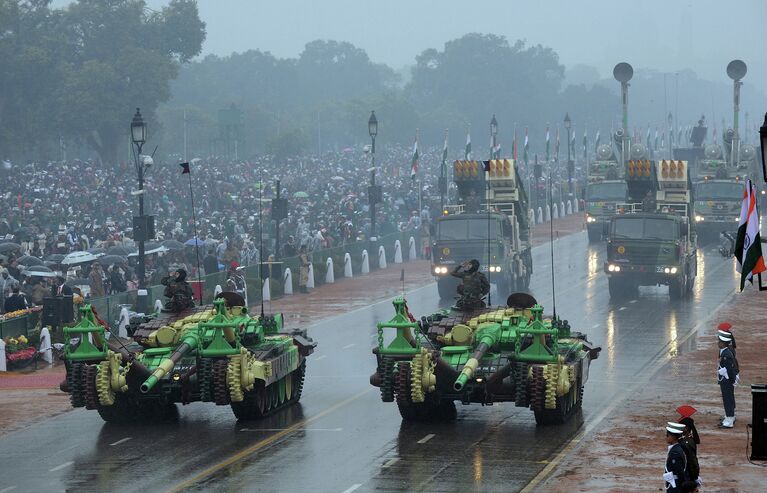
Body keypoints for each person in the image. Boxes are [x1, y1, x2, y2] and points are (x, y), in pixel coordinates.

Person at [664, 423, 696, 493]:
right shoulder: (678, 448)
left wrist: (685, 487)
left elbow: (680, 472)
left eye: (668, 435)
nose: (666, 437)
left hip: (676, 486)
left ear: (674, 437)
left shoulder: (675, 452)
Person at [675, 405, 701, 489]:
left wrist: (695, 477)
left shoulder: (686, 442)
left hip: (688, 475)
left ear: (685, 428)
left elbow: (692, 460)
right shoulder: (689, 439)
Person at [717, 331, 739, 428]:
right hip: (726, 380)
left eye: (720, 342)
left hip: (726, 380)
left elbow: (730, 369)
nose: (718, 343)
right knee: (728, 398)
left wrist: (728, 377)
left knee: (728, 399)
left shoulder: (726, 354)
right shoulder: (725, 352)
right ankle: (729, 416)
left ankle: (729, 420)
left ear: (724, 343)